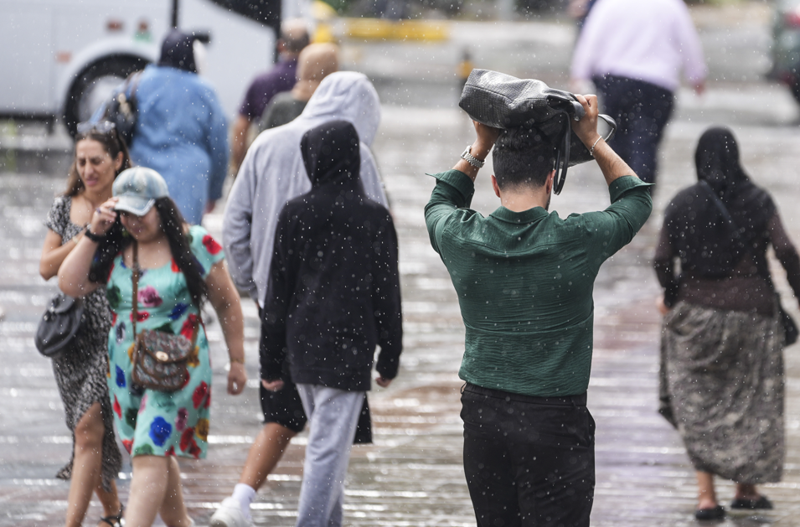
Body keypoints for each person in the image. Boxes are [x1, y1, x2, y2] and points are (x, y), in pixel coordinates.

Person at [424, 94, 652, 526]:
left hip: (483, 415)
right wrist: (592, 138)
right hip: (555, 420)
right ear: (552, 179)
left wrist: (479, 148)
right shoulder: (578, 239)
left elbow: (439, 200)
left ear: (494, 184)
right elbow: (635, 200)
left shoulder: (459, 237)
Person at [213, 71, 388, 527]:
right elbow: (379, 247)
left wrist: (253, 284)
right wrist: (388, 337)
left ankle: (252, 503)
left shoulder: (266, 143)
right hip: (341, 318)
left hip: (279, 310)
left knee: (303, 420)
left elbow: (234, 224)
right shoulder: (360, 157)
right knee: (328, 436)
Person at [58, 166, 247, 527]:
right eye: (124, 212)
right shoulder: (113, 247)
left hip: (178, 366)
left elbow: (227, 302)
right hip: (125, 369)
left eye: (140, 211)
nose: (132, 221)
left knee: (150, 448)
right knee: (150, 451)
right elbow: (69, 284)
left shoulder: (195, 244)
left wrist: (237, 359)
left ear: (162, 206)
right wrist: (94, 232)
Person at [261, 119, 403, 527]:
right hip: (349, 349)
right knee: (327, 450)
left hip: (301, 349)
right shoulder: (374, 218)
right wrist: (390, 356)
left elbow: (278, 295)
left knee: (328, 448)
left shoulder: (294, 213)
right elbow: (387, 295)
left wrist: (270, 361)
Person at [654, 127, 800, 521]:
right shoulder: (758, 199)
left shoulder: (683, 203)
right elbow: (786, 249)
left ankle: (707, 498)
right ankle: (746, 490)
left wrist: (671, 294)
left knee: (701, 404)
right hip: (753, 314)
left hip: (697, 314)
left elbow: (662, 258)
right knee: (750, 400)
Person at [39, 121, 129, 527]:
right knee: (84, 431)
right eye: (82, 162)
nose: (89, 169)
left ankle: (71, 523)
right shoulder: (65, 206)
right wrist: (87, 234)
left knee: (88, 426)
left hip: (114, 331)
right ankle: (111, 511)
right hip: (71, 335)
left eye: (97, 161)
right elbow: (45, 268)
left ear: (118, 161)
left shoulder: (131, 207)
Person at [570, 0, 706, 185]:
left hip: (616, 80)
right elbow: (687, 40)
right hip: (656, 84)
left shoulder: (610, 4)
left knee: (617, 141)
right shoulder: (671, 5)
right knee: (645, 144)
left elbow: (592, 37)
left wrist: (579, 73)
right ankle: (641, 198)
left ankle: (621, 197)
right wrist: (696, 75)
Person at [119, 29, 228, 225]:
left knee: (141, 238)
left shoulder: (137, 81)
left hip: (141, 169)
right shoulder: (204, 90)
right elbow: (219, 145)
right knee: (183, 241)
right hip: (188, 176)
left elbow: (100, 123)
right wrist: (215, 192)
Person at [230, 19, 310, 174]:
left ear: (280, 46)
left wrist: (239, 166)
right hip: (306, 168)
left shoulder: (261, 81)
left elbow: (240, 128)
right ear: (310, 45)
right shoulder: (316, 82)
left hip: (268, 166)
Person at [257, 43, 340, 133]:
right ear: (333, 70)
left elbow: (262, 140)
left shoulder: (281, 104)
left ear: (303, 68)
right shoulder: (337, 107)